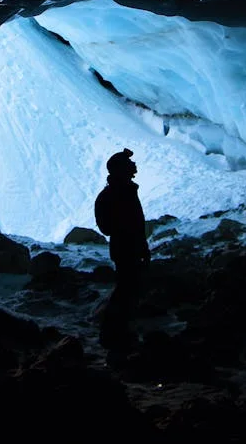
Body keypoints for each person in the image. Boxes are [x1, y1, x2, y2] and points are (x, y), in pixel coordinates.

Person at [94, 148, 150, 352]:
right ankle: (114, 330)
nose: (133, 167)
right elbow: (114, 225)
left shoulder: (118, 193)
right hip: (126, 246)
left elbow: (111, 226)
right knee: (127, 288)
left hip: (127, 246)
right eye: (128, 164)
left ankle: (117, 330)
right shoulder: (119, 193)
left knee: (128, 288)